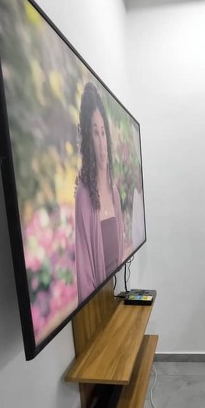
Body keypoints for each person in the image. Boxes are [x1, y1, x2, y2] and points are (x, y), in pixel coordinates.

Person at [75, 82, 124, 303]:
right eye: (95, 133)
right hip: (97, 309)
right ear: (88, 140)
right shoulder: (84, 196)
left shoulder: (114, 194)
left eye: (103, 132)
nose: (102, 143)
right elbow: (85, 281)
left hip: (113, 298)